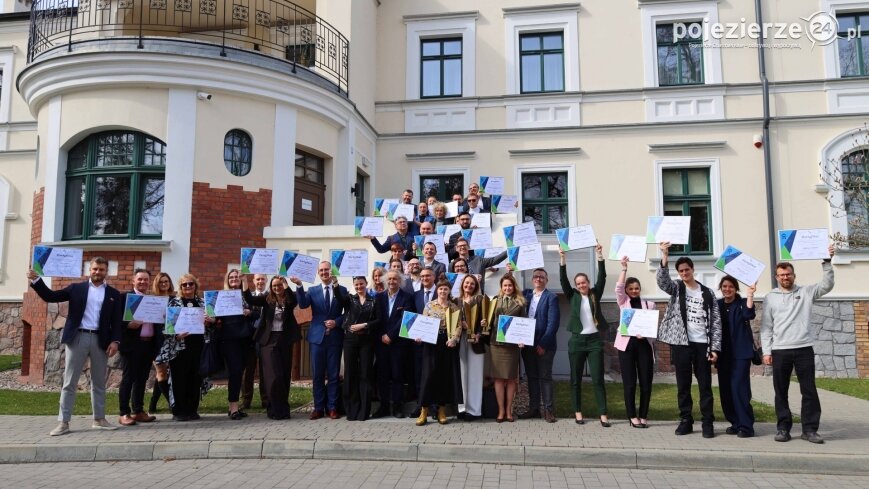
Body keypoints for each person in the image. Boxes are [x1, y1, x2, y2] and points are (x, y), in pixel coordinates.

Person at [28, 256, 123, 436]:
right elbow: (51, 296)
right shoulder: (76, 289)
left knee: (99, 382)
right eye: (95, 269)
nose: (98, 272)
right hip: (77, 337)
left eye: (101, 269)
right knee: (69, 382)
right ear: (90, 270)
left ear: (106, 272)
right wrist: (36, 280)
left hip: (100, 340)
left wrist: (115, 341)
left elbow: (116, 321)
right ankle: (63, 423)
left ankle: (99, 419)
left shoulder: (113, 294)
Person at [761, 245, 835, 444]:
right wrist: (767, 351)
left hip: (804, 348)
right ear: (777, 277)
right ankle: (783, 428)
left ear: (794, 275)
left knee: (809, 390)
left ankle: (809, 430)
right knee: (780, 391)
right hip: (780, 350)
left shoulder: (807, 292)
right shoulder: (770, 298)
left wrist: (827, 262)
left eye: (788, 274)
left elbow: (827, 285)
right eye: (781, 275)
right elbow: (766, 328)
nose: (785, 277)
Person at [656, 242, 722, 438]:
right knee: (683, 385)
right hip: (681, 344)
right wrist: (665, 256)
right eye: (681, 270)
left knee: (705, 385)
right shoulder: (676, 289)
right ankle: (686, 420)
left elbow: (716, 322)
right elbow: (662, 282)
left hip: (703, 344)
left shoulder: (707, 292)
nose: (685, 273)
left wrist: (715, 348)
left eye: (687, 269)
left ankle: (707, 422)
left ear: (693, 270)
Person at [560, 244, 610, 427]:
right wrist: (562, 259)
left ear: (588, 283)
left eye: (584, 282)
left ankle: (603, 414)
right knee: (576, 380)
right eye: (579, 283)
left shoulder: (596, 293)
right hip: (577, 341)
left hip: (595, 341)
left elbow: (602, 277)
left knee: (598, 379)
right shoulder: (572, 295)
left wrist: (599, 255)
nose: (582, 285)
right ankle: (578, 412)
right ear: (576, 286)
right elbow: (563, 279)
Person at [245, 275, 301, 420]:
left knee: (283, 375)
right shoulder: (267, 299)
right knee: (273, 376)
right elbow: (250, 299)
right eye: (274, 286)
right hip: (268, 341)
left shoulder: (289, 300)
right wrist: (244, 280)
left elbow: (294, 300)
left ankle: (283, 410)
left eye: (279, 285)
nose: (277, 288)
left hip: (284, 340)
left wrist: (287, 284)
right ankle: (273, 409)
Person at [160, 273, 215, 421]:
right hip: (179, 347)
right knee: (179, 379)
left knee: (195, 379)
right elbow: (167, 327)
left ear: (195, 286)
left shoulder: (203, 303)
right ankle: (179, 411)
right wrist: (176, 335)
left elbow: (213, 326)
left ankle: (192, 409)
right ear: (181, 287)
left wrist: (210, 322)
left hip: (199, 347)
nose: (188, 287)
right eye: (185, 284)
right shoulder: (174, 303)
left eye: (191, 284)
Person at [297, 261, 346, 419]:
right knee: (317, 375)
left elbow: (348, 312)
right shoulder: (312, 290)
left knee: (333, 375)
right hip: (317, 338)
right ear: (318, 273)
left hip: (335, 338)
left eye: (327, 270)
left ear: (331, 272)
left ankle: (332, 407)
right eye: (322, 270)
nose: (324, 272)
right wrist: (298, 285)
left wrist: (337, 322)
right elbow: (303, 305)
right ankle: (318, 407)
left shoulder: (342, 290)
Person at [614, 257, 656, 429]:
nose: (634, 290)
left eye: (636, 288)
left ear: (640, 289)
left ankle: (643, 415)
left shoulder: (650, 304)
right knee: (630, 383)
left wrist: (645, 335)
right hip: (627, 347)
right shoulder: (624, 302)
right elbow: (618, 288)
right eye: (630, 288)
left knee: (646, 383)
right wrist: (624, 269)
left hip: (644, 346)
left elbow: (652, 328)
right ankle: (632, 416)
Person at [415, 279, 463, 425]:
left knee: (444, 377)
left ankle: (442, 411)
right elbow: (423, 322)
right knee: (428, 376)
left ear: (449, 291)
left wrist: (454, 339)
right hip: (431, 342)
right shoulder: (429, 305)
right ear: (437, 290)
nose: (443, 291)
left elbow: (458, 326)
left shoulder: (454, 307)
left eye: (445, 289)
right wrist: (419, 336)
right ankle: (424, 411)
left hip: (446, 343)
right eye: (441, 289)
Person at [335, 276, 379, 421]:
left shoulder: (374, 301)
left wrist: (365, 325)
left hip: (367, 340)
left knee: (365, 374)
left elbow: (378, 320)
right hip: (350, 340)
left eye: (361, 284)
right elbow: (339, 299)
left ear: (366, 284)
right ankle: (351, 410)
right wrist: (335, 285)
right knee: (350, 374)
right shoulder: (349, 299)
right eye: (356, 284)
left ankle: (364, 412)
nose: (359, 286)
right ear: (353, 286)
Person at [118, 268, 159, 426]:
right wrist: (128, 325)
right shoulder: (125, 298)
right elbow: (115, 321)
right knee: (128, 379)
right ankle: (124, 413)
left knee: (142, 379)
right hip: (131, 345)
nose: (143, 282)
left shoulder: (151, 300)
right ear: (133, 281)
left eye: (146, 280)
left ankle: (138, 411)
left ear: (149, 282)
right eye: (140, 279)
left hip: (148, 344)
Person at [717, 276, 757, 438]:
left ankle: (746, 426)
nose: (727, 289)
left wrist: (750, 295)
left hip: (740, 354)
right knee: (725, 390)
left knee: (739, 389)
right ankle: (735, 422)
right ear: (721, 288)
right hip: (722, 354)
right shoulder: (717, 305)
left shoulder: (741, 303)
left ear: (736, 289)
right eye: (725, 286)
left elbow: (749, 314)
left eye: (731, 287)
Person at [373, 270, 416, 418]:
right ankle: (384, 406)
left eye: (395, 279)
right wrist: (382, 336)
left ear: (400, 281)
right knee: (382, 376)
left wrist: (391, 335)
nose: (392, 281)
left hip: (398, 343)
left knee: (398, 376)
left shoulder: (407, 298)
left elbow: (406, 318)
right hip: (381, 343)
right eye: (389, 279)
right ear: (385, 281)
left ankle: (398, 407)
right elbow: (376, 319)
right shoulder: (378, 297)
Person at [520, 268, 560, 423]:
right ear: (532, 279)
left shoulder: (552, 297)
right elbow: (510, 290)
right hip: (527, 344)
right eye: (536, 276)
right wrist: (509, 273)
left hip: (545, 345)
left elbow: (553, 323)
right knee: (532, 377)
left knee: (545, 377)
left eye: (542, 277)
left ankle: (548, 410)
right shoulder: (526, 294)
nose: (538, 279)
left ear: (546, 280)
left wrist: (543, 343)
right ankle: (534, 409)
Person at [217, 269, 256, 420]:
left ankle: (233, 407)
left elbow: (255, 311)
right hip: (229, 339)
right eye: (231, 277)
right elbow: (215, 316)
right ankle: (233, 407)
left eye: (236, 277)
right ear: (227, 280)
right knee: (235, 372)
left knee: (239, 372)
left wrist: (249, 312)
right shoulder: (221, 296)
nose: (234, 279)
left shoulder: (245, 296)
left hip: (245, 339)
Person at [490, 273, 526, 423]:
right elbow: (490, 321)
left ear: (514, 286)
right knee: (498, 378)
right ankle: (501, 411)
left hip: (512, 345)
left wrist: (522, 339)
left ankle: (509, 410)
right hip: (496, 344)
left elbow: (524, 323)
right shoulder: (494, 301)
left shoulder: (520, 303)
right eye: (505, 285)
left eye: (510, 285)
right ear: (501, 287)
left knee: (511, 378)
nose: (507, 288)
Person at [454, 274, 485, 421]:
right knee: (461, 374)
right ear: (462, 284)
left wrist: (479, 333)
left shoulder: (480, 300)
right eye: (467, 283)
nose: (469, 286)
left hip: (475, 342)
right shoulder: (455, 301)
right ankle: (462, 408)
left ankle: (474, 410)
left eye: (472, 284)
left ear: (476, 286)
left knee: (475, 375)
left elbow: (486, 321)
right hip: (460, 341)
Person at [241, 273, 268, 411]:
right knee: (248, 370)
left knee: (265, 370)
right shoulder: (246, 297)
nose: (260, 281)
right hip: (250, 338)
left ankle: (266, 399)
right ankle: (246, 400)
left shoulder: (271, 296)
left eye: (263, 279)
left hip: (266, 338)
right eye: (258, 279)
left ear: (266, 280)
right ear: (253, 281)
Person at [148, 272, 174, 413]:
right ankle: (172, 403)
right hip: (156, 341)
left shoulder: (174, 300)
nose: (164, 284)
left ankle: (152, 405)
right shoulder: (152, 300)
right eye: (161, 282)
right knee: (161, 372)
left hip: (171, 341)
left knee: (163, 373)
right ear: (157, 284)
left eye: (166, 281)